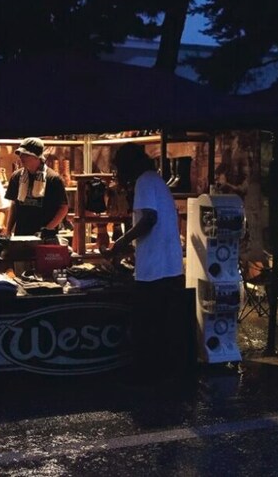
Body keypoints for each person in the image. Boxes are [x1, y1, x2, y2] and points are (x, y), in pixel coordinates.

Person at [102, 143, 188, 382]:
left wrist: (120, 242)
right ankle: (160, 377)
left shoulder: (145, 182)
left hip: (155, 271)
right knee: (160, 327)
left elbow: (149, 219)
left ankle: (148, 378)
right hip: (166, 267)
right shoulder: (154, 180)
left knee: (147, 326)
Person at [4, 137, 69, 236]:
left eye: (26, 155)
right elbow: (14, 204)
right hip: (21, 234)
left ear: (37, 157)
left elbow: (63, 208)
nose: (21, 157)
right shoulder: (16, 176)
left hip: (45, 236)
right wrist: (8, 230)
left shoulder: (53, 178)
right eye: (20, 154)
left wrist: (48, 229)